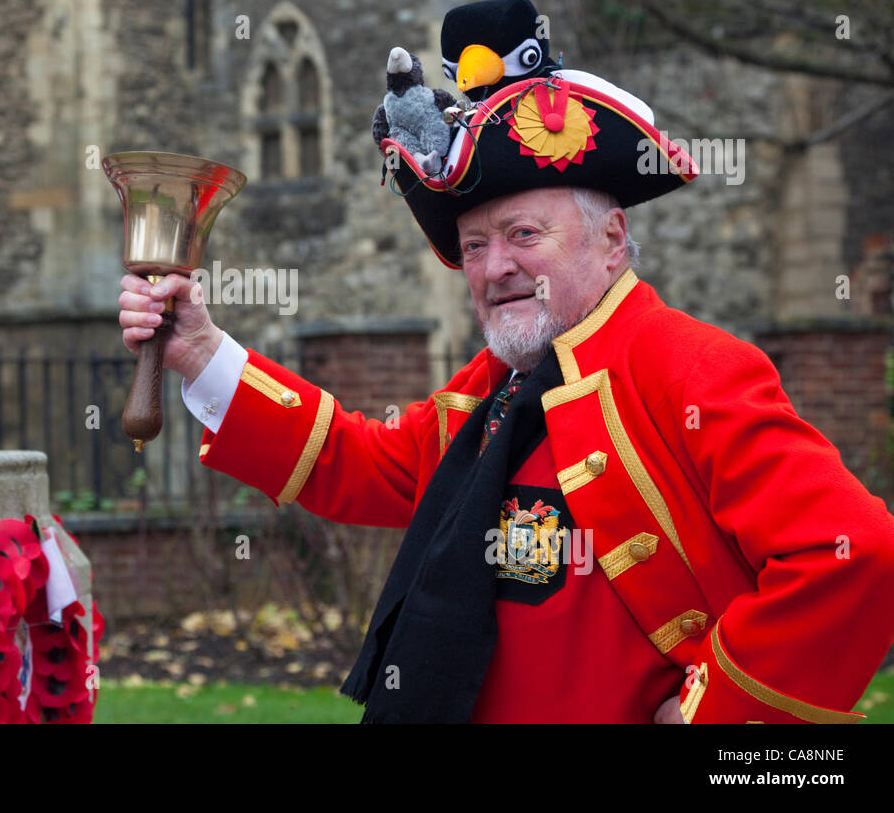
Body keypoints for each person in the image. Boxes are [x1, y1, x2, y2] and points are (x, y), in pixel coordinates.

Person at [117, 72, 894, 723]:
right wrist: (202, 354)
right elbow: (362, 461)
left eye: (525, 234)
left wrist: (706, 713)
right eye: (475, 246)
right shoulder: (494, 388)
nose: (493, 270)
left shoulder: (694, 369)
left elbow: (852, 553)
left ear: (613, 239)